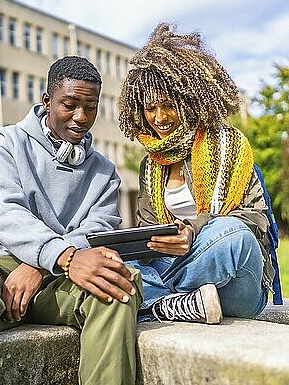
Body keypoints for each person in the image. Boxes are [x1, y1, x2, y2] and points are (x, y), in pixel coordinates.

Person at [0, 56, 141, 385]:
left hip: (55, 277)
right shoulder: (5, 144)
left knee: (117, 284)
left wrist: (44, 265)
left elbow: (97, 231)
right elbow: (5, 212)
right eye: (69, 104)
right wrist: (63, 256)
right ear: (47, 101)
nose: (81, 117)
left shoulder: (105, 173)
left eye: (91, 107)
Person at [116, 23, 275, 324]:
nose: (159, 118)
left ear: (189, 101)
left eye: (168, 105)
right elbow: (149, 232)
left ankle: (153, 301)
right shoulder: (150, 165)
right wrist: (148, 244)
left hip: (235, 283)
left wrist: (192, 230)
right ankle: (182, 304)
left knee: (234, 236)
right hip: (179, 271)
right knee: (117, 258)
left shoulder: (230, 147)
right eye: (150, 108)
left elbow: (257, 222)